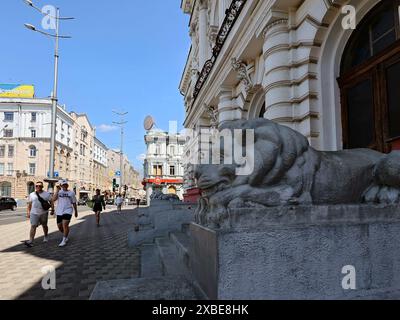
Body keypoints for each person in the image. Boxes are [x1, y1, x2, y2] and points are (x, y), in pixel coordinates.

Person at [24, 181, 53, 248]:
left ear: (42, 187)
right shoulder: (32, 194)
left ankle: (45, 236)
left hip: (44, 213)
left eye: (40, 186)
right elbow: (29, 204)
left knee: (44, 225)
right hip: (34, 213)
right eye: (37, 186)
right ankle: (31, 241)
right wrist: (28, 212)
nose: (38, 187)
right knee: (33, 226)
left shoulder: (47, 194)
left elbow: (51, 201)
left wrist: (53, 210)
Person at [53, 180, 78, 247]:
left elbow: (74, 202)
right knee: (59, 226)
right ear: (61, 185)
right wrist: (57, 191)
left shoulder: (71, 193)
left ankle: (64, 240)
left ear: (67, 185)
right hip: (59, 211)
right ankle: (65, 234)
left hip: (68, 210)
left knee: (65, 224)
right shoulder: (59, 192)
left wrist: (76, 211)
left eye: (66, 184)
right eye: (63, 185)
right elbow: (53, 199)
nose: (65, 186)